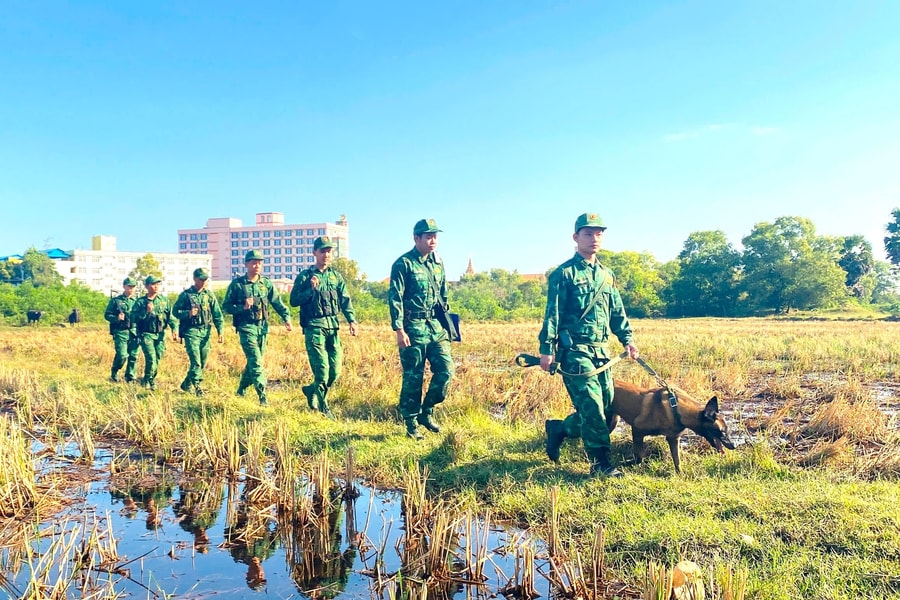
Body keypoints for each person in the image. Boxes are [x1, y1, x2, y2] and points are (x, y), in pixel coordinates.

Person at [538, 213, 639, 478]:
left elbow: (618, 312)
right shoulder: (563, 274)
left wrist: (628, 340)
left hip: (601, 352)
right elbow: (553, 314)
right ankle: (600, 464)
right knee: (592, 407)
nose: (594, 239)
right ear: (575, 238)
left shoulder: (607, 275)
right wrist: (547, 349)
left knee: (606, 412)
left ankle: (560, 429)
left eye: (598, 233)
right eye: (587, 234)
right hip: (575, 352)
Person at [388, 218, 455, 440]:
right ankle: (411, 422)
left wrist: (448, 323)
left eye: (435, 236)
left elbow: (443, 295)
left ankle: (427, 411)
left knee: (446, 371)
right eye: (428, 236)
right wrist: (399, 329)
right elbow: (395, 298)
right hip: (412, 327)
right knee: (413, 377)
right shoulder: (403, 264)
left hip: (435, 327)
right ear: (416, 238)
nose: (433, 240)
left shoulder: (438, 263)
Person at [289, 236, 358, 418]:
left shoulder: (335, 276)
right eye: (322, 251)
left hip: (333, 327)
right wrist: (309, 289)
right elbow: (294, 300)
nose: (326, 254)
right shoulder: (305, 276)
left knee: (334, 372)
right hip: (314, 327)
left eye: (329, 251)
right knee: (322, 370)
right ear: (315, 253)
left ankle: (312, 390)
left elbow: (345, 300)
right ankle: (323, 406)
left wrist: (351, 320)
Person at [223, 249, 292, 406]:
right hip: (246, 327)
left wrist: (286, 318)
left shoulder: (265, 284)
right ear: (246, 264)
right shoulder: (237, 285)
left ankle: (241, 389)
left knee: (255, 360)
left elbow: (277, 302)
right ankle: (263, 396)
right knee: (256, 360)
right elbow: (226, 306)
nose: (257, 265)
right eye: (253, 262)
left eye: (259, 262)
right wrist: (242, 307)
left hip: (262, 327)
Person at [173, 267, 225, 396]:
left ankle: (186, 384)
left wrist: (220, 331)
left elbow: (217, 314)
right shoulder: (186, 295)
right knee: (195, 360)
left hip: (205, 331)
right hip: (191, 331)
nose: (203, 282)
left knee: (202, 361)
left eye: (205, 279)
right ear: (195, 279)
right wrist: (188, 313)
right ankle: (198, 386)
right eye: (201, 279)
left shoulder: (209, 295)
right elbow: (175, 312)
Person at [130, 275, 178, 390]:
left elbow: (170, 317)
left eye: (157, 284)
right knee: (151, 358)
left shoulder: (164, 301)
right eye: (153, 284)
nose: (155, 286)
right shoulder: (141, 302)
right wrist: (145, 312)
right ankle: (148, 380)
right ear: (147, 286)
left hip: (160, 334)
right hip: (146, 334)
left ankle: (150, 379)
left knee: (157, 358)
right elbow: (133, 318)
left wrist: (174, 329)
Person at [104, 277, 140, 382]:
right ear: (124, 286)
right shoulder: (116, 301)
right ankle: (114, 371)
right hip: (120, 331)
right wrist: (116, 318)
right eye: (129, 286)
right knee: (122, 355)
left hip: (134, 331)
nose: (131, 289)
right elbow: (107, 315)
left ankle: (130, 376)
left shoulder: (138, 301)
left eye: (133, 287)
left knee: (133, 355)